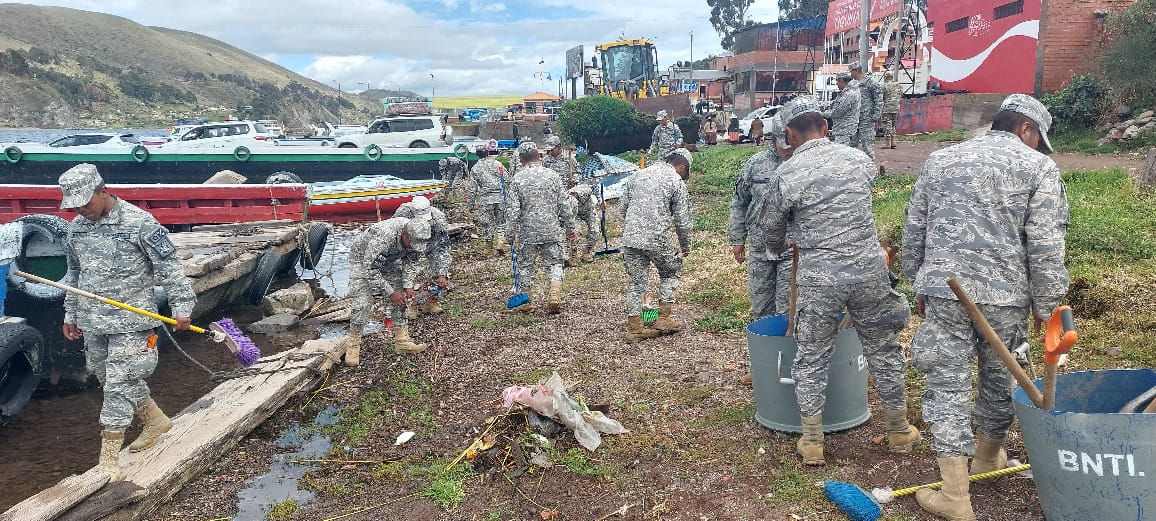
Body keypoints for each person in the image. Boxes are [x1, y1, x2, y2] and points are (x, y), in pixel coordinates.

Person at [901, 94, 1069, 520]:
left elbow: (914, 227)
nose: (1037, 147)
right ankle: (984, 458)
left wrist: (917, 279)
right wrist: (1048, 307)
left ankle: (961, 487)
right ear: (1027, 130)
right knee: (1003, 375)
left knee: (948, 382)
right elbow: (1047, 247)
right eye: (1037, 140)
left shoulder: (940, 161)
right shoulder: (1038, 168)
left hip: (945, 290)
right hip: (1006, 297)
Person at [759, 97, 917, 466]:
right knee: (883, 348)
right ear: (826, 128)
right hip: (868, 270)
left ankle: (812, 442)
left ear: (789, 134)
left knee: (812, 354)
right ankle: (898, 430)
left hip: (820, 279)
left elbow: (770, 229)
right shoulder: (859, 160)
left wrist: (781, 245)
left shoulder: (786, 174)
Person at [58, 163, 197, 481]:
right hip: (94, 322)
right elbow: (75, 275)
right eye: (75, 205)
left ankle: (108, 459)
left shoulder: (140, 223)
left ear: (102, 191)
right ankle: (156, 420)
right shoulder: (76, 228)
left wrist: (181, 307)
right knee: (107, 378)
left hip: (133, 322)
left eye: (86, 202)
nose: (82, 210)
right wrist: (71, 314)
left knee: (119, 386)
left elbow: (170, 268)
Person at [620, 148, 694, 343]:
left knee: (637, 283)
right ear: (682, 167)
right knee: (671, 271)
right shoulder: (675, 181)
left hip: (630, 236)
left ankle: (635, 330)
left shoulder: (638, 175)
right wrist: (686, 246)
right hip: (656, 237)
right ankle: (663, 318)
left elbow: (622, 208)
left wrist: (633, 227)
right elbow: (682, 220)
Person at [346, 213, 434, 365]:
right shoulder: (384, 237)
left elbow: (411, 262)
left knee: (401, 297)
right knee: (363, 303)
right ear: (404, 234)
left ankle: (402, 342)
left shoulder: (419, 236)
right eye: (411, 243)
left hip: (390, 258)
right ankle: (353, 346)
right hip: (363, 259)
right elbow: (371, 269)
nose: (414, 247)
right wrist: (390, 292)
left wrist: (407, 285)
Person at [505, 142, 576, 314]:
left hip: (527, 230)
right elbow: (564, 204)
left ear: (521, 159)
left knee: (526, 265)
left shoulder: (517, 179)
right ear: (539, 156)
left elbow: (513, 209)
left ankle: (527, 301)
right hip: (551, 228)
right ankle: (554, 295)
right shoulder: (552, 176)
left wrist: (509, 232)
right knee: (554, 263)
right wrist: (570, 227)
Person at [394, 196, 452, 319]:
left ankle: (432, 301)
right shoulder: (403, 213)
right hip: (410, 246)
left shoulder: (438, 218)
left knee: (439, 273)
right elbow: (395, 233)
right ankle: (412, 305)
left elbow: (444, 246)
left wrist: (442, 273)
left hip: (432, 245)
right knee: (408, 273)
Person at [468, 145, 508, 257]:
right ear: (488, 153)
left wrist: (470, 204)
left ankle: (489, 247)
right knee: (502, 222)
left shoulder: (475, 169)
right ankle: (500, 242)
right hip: (500, 197)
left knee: (487, 223)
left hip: (485, 199)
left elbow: (472, 189)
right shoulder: (497, 164)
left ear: (477, 155)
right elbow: (507, 179)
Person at [850, 63, 883, 159]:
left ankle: (871, 168)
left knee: (867, 145)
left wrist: (876, 114)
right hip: (854, 119)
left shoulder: (871, 82)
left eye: (851, 72)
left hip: (866, 119)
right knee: (852, 144)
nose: (850, 74)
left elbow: (879, 100)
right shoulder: (853, 84)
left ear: (857, 71)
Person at [565, 182, 601, 264]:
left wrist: (601, 201)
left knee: (595, 230)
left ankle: (587, 252)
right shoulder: (566, 198)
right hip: (575, 214)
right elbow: (566, 214)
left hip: (589, 211)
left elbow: (595, 189)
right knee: (575, 232)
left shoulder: (585, 189)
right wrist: (569, 229)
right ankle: (573, 255)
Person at [823, 73, 860, 146]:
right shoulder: (845, 93)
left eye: (837, 81)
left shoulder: (848, 95)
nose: (836, 84)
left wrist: (821, 114)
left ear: (842, 80)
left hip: (845, 131)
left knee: (842, 154)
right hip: (844, 130)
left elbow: (836, 112)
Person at [881, 72, 902, 149]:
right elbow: (900, 95)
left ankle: (887, 143)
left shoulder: (884, 86)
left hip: (887, 108)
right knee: (893, 125)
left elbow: (881, 97)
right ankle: (893, 142)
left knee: (887, 125)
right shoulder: (899, 85)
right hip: (896, 108)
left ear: (885, 77)